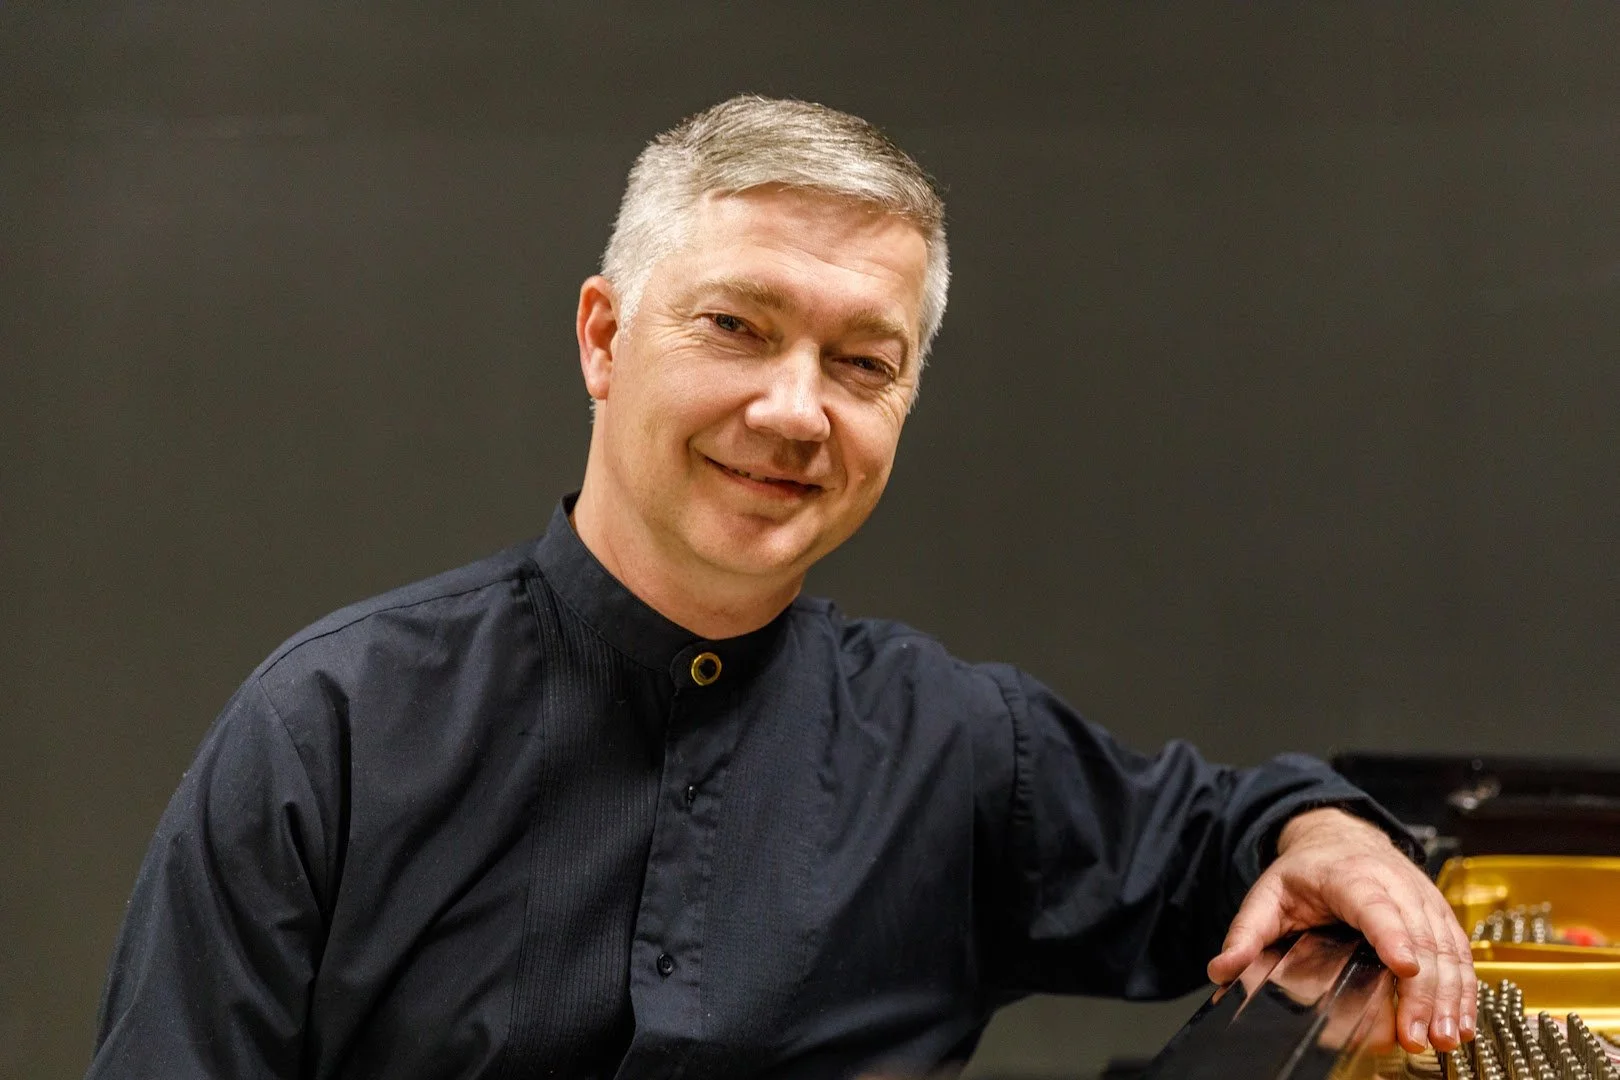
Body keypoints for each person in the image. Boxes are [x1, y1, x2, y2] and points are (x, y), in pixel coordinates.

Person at [87, 95, 1474, 1080]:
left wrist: (1330, 835)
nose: (797, 412)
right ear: (604, 338)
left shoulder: (952, 742)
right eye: (736, 326)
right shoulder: (330, 727)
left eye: (863, 364)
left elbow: (1233, 835)